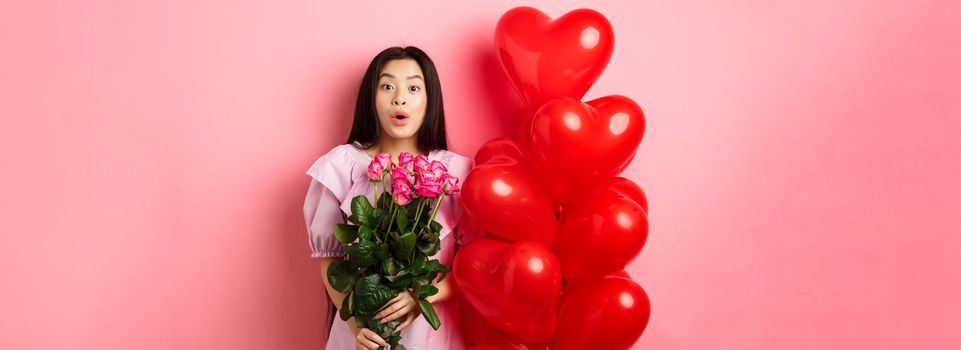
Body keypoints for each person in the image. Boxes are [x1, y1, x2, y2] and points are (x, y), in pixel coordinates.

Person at [302, 46, 479, 350]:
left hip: (432, 336)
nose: (400, 98)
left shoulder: (457, 173)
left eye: (413, 87)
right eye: (387, 87)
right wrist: (360, 327)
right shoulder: (341, 167)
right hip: (363, 338)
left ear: (429, 99)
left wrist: (423, 296)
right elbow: (329, 259)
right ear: (371, 98)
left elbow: (475, 263)